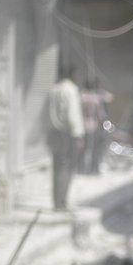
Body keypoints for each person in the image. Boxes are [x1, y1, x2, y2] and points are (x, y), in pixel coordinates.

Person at [46, 66, 84, 211]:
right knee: (67, 167)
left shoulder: (54, 89)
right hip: (67, 134)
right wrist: (78, 135)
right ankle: (62, 202)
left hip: (54, 132)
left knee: (57, 168)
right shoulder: (71, 90)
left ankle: (56, 202)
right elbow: (72, 115)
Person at [80, 78, 112, 175]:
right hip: (94, 125)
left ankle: (82, 169)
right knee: (95, 149)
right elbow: (109, 98)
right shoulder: (96, 98)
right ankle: (94, 169)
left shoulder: (82, 96)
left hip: (84, 125)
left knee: (84, 149)